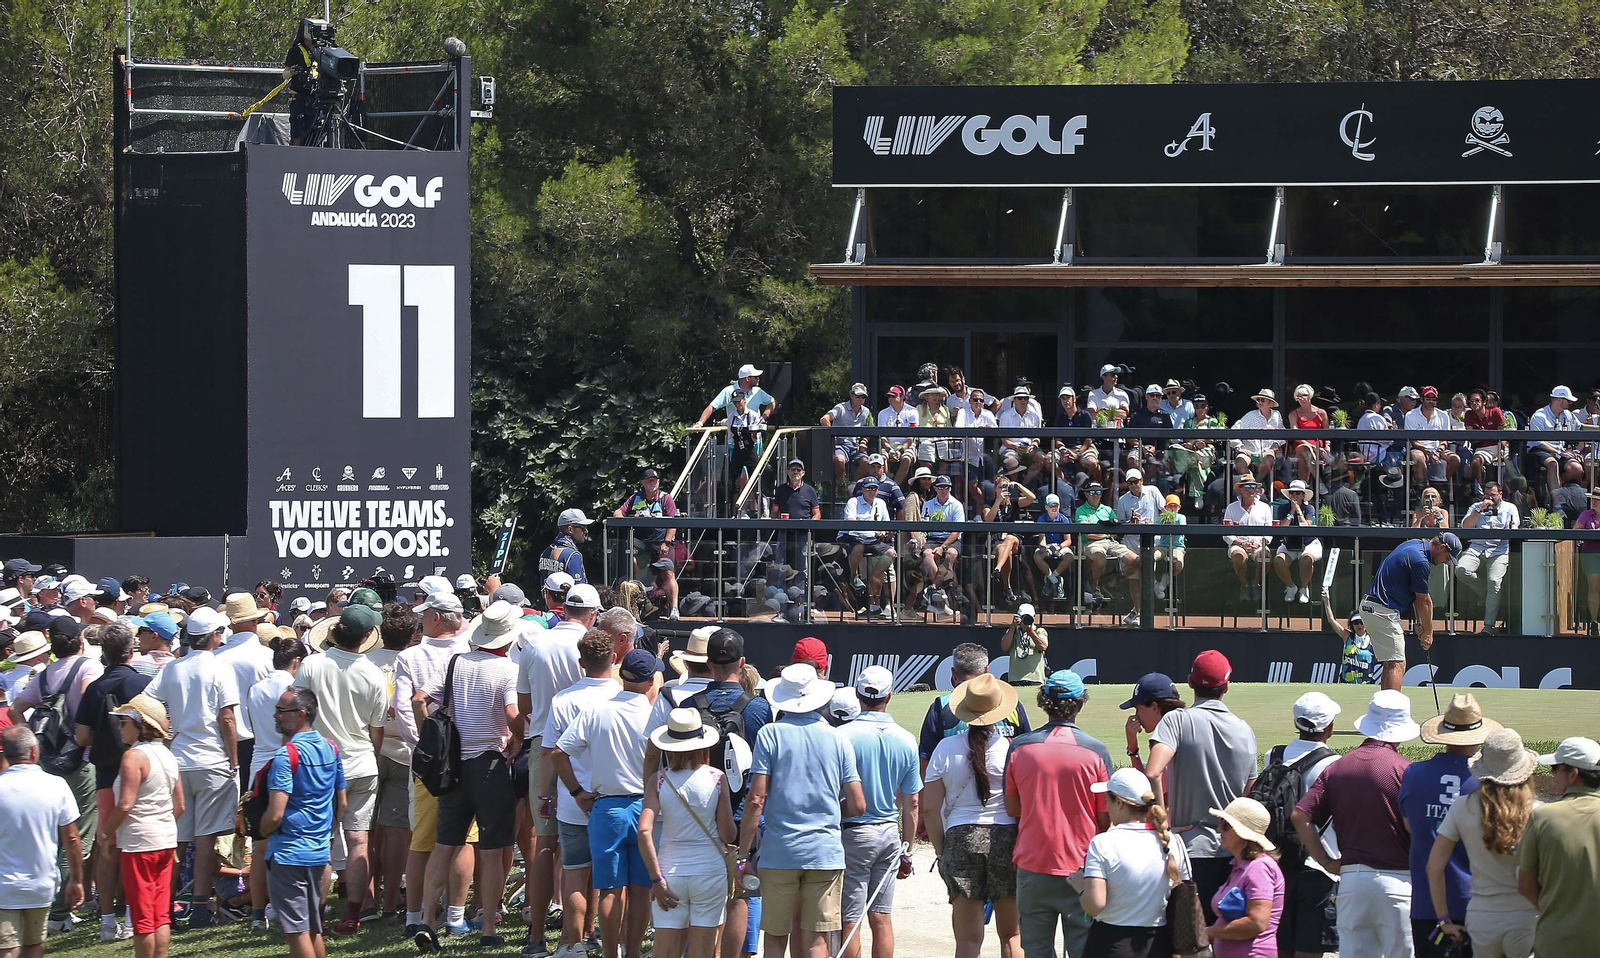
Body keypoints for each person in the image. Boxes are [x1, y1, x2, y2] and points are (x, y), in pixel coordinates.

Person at [412, 600, 523, 951]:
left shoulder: (455, 661)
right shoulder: (506, 669)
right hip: (490, 764)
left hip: (454, 766)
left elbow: (419, 700)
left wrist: (430, 736)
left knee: (445, 845)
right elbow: (510, 713)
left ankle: (427, 920)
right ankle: (488, 925)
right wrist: (519, 737)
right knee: (492, 850)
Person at [738, 664, 864, 958]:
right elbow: (858, 804)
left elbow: (756, 799)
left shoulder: (770, 735)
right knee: (817, 941)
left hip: (780, 852)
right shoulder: (838, 738)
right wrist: (830, 811)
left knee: (775, 939)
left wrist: (744, 854)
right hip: (824, 851)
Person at [1293, 689, 1419, 958]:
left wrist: (1326, 861)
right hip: (1398, 881)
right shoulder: (1406, 771)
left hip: (1351, 881)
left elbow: (1300, 816)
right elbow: (1414, 829)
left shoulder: (1337, 767)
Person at [553, 649, 662, 958]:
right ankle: (633, 952)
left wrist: (577, 792)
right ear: (650, 680)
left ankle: (611, 954)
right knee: (641, 888)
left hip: (607, 808)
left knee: (610, 888)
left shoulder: (596, 712)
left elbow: (560, 754)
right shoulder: (655, 715)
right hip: (645, 808)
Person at [1141, 650, 1258, 923]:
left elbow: (1153, 771)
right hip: (1233, 853)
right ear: (1227, 686)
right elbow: (1249, 790)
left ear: (1190, 683)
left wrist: (1164, 822)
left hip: (1189, 852)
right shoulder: (1245, 729)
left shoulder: (1176, 720)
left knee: (1187, 940)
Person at [293, 604, 389, 936]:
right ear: (365, 637)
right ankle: (352, 915)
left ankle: (317, 915)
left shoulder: (312, 664)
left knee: (322, 841)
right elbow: (377, 729)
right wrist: (368, 757)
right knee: (359, 840)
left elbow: (298, 711)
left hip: (319, 763)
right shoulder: (374, 674)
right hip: (360, 762)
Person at [1004, 670, 1112, 958]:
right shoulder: (1097, 752)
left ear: (1043, 701)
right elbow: (1105, 819)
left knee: (1036, 951)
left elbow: (1012, 807)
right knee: (1083, 950)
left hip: (1032, 866)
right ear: (1080, 703)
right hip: (1082, 869)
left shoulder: (1020, 747)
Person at [143, 606, 238, 931]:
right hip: (211, 761)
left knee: (179, 840)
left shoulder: (173, 668)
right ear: (213, 636)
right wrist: (234, 759)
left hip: (179, 761)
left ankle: (164, 905)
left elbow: (146, 702)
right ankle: (198, 906)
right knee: (205, 838)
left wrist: (168, 735)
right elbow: (227, 718)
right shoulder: (219, 667)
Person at [7, 616, 100, 935]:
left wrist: (32, 737)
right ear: (79, 640)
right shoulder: (87, 668)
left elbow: (15, 709)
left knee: (53, 836)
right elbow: (89, 701)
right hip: (81, 760)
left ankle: (51, 905)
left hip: (48, 760)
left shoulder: (44, 675)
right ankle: (58, 911)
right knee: (77, 837)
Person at [394, 590, 475, 938]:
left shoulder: (411, 656)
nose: (421, 619)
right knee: (463, 840)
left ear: (437, 618)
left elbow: (403, 708)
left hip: (430, 762)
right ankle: (455, 916)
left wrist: (422, 748)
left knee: (423, 841)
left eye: (425, 614)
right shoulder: (470, 653)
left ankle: (415, 915)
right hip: (468, 756)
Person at [922, 674, 1021, 958]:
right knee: (1012, 935)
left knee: (967, 941)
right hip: (1005, 837)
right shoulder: (1011, 749)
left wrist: (942, 853)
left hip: (960, 837)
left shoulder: (945, 748)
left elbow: (930, 808)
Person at [539, 630, 624, 958]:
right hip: (614, 801)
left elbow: (549, 753)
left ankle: (572, 945)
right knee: (612, 881)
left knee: (574, 875)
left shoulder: (563, 699)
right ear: (613, 659)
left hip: (574, 800)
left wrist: (546, 794)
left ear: (581, 663)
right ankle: (609, 945)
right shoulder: (624, 697)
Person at [1429, 727, 1538, 958]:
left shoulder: (1462, 806)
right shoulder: (1537, 813)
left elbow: (1434, 867)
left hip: (1482, 917)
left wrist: (1443, 919)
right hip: (1527, 917)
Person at [73, 623, 152, 941]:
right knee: (138, 846)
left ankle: (108, 921)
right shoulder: (143, 683)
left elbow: (81, 737)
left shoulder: (95, 688)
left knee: (108, 847)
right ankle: (134, 917)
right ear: (131, 650)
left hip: (106, 774)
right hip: (142, 773)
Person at [834, 667, 920, 958]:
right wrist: (906, 850)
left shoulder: (842, 735)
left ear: (858, 695)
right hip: (888, 834)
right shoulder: (906, 739)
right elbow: (912, 803)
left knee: (850, 919)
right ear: (889, 696)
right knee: (881, 918)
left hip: (854, 834)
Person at [637, 709, 737, 958]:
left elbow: (644, 830)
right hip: (709, 870)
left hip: (670, 872)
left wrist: (656, 879)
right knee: (703, 951)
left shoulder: (658, 780)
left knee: (665, 950)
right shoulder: (717, 778)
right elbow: (727, 834)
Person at [261, 687, 348, 958]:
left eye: (281, 710)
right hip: (319, 852)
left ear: (300, 714)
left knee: (296, 932)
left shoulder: (285, 756)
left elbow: (276, 814)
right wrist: (325, 834)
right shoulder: (331, 748)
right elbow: (341, 803)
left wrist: (260, 830)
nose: (275, 716)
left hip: (289, 854)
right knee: (313, 928)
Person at [1403, 694, 1491, 957]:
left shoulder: (1413, 773)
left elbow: (1410, 825)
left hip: (1426, 904)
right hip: (1477, 902)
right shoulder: (1484, 782)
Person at [99, 695, 181, 958]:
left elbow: (124, 804)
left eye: (124, 722)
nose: (121, 727)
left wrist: (105, 834)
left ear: (140, 724)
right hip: (166, 840)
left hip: (139, 845)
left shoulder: (133, 757)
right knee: (160, 914)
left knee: (144, 916)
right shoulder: (168, 755)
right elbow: (179, 806)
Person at [1262, 693, 1341, 958]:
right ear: (1329, 728)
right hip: (1318, 865)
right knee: (1309, 949)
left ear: (1296, 722)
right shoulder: (1335, 765)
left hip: (1276, 861)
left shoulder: (1272, 755)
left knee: (1280, 946)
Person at [1078, 767, 1188, 958]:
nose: (1106, 806)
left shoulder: (1103, 843)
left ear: (1119, 803)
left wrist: (1080, 886)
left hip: (1110, 943)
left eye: (1108, 801)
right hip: (1159, 944)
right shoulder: (1173, 842)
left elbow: (1094, 905)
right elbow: (1184, 896)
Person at [0, 726, 84, 958]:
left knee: (7, 948)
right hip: (42, 884)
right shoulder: (56, 785)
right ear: (34, 752)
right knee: (34, 945)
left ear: (6, 754)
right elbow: (73, 838)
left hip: (4, 886)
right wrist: (76, 880)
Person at [242, 634, 304, 930]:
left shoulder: (256, 688)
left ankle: (257, 912)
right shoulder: (293, 689)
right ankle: (282, 906)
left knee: (260, 846)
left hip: (258, 765)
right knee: (288, 841)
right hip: (284, 763)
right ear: (296, 662)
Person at [1518, 736, 1600, 958]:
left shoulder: (1543, 818)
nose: (1553, 774)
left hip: (1558, 940)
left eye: (1556, 768)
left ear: (1573, 774)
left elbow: (1525, 885)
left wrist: (1555, 912)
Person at [367, 604, 419, 922]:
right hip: (402, 751)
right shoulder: (414, 662)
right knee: (397, 830)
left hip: (371, 750)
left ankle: (369, 902)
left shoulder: (366, 663)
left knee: (368, 830)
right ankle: (388, 905)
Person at [1359, 533, 1461, 690]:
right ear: (1441, 548)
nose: (1445, 562)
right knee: (1398, 663)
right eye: (1448, 557)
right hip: (1382, 611)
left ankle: (1384, 709)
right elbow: (1424, 601)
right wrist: (1428, 632)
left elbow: (1414, 595)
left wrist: (1420, 622)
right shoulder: (1421, 562)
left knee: (1391, 662)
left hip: (1372, 608)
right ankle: (1392, 712)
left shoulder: (1414, 544)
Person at [918, 643, 1032, 777]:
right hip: (1005, 795)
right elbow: (1026, 753)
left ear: (954, 673)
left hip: (954, 794)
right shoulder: (1011, 704)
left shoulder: (940, 707)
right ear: (986, 671)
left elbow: (925, 763)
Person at [1206, 797, 1285, 958]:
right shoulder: (1240, 867)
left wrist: (1209, 932)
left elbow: (1257, 923)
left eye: (1226, 825)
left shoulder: (1259, 868)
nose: (1219, 828)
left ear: (1242, 833)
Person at [214, 593, 275, 797]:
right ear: (256, 620)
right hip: (260, 741)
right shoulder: (268, 658)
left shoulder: (215, 658)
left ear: (231, 624)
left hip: (221, 740)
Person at [613, 469, 682, 619]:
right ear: (643, 483)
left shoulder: (666, 498)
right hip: (641, 540)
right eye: (649, 480)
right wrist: (627, 517)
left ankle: (674, 608)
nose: (653, 483)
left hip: (661, 540)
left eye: (655, 480)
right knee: (628, 552)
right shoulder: (635, 498)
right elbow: (618, 513)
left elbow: (673, 523)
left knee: (669, 572)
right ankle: (638, 589)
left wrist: (666, 542)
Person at [1459, 481, 1520, 634]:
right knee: (1461, 569)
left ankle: (1488, 626)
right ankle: (1483, 592)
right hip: (1477, 547)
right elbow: (1465, 527)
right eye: (1486, 495)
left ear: (1500, 494)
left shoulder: (1510, 508)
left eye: (1493, 495)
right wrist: (1479, 510)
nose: (1490, 498)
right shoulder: (1476, 507)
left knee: (1494, 582)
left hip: (1499, 549)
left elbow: (1514, 529)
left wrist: (1499, 530)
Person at [1117, 673, 1184, 780]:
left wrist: (1133, 750)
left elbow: (1147, 791)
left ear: (1154, 707)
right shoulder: (1184, 727)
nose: (1136, 716)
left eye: (1138, 708)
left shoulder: (1166, 741)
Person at [1223, 477, 1274, 603]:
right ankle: (1244, 584)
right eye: (1247, 487)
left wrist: (1259, 543)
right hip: (1238, 545)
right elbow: (1226, 533)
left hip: (1259, 545)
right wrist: (1241, 543)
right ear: (1240, 489)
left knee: (1266, 556)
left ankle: (1256, 584)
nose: (1251, 490)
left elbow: (1270, 532)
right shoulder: (1231, 508)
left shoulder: (1265, 508)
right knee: (1238, 556)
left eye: (1253, 487)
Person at [1272, 479, 1322, 605]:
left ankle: (1304, 588)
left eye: (1297, 493)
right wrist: (1292, 511)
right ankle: (1291, 587)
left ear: (1303, 495)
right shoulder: (1283, 508)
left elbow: (1306, 528)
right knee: (1278, 561)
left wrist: (1299, 511)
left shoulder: (1309, 508)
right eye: (1292, 493)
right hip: (1289, 545)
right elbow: (1283, 527)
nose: (1294, 496)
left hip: (1309, 544)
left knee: (1306, 560)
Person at [822, 382, 874, 486]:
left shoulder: (867, 412)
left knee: (866, 462)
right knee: (839, 460)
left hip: (856, 446)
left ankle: (853, 486)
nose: (861, 399)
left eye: (863, 397)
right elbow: (824, 419)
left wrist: (864, 441)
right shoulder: (841, 408)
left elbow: (871, 428)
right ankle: (841, 484)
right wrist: (833, 435)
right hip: (841, 444)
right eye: (858, 396)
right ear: (851, 395)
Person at [1406, 386, 1460, 484]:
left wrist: (1438, 452)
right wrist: (1429, 452)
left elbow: (1444, 440)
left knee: (1455, 459)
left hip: (1437, 449)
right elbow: (1413, 441)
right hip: (1419, 449)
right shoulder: (1410, 415)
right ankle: (1424, 487)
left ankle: (1439, 485)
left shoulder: (1443, 416)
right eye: (1428, 398)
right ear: (1422, 399)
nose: (1431, 401)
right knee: (1418, 458)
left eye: (1433, 399)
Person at [697, 363, 774, 427]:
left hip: (756, 439)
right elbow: (712, 407)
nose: (758, 379)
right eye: (756, 377)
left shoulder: (758, 391)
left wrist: (764, 417)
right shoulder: (729, 391)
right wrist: (699, 424)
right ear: (747, 378)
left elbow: (772, 402)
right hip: (735, 439)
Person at [1233, 389, 1284, 485]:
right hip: (1249, 450)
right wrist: (1240, 447)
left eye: (1263, 400)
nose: (1260, 402)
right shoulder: (1250, 415)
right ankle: (1253, 484)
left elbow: (1282, 432)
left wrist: (1276, 443)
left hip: (1267, 450)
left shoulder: (1277, 416)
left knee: (1267, 462)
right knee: (1239, 464)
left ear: (1270, 403)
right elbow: (1234, 430)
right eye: (1258, 400)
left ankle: (1255, 484)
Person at [1000, 604, 1048, 687]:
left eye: (1029, 617)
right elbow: (1004, 647)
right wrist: (1012, 626)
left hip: (1035, 679)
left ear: (1034, 616)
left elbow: (1043, 647)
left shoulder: (1039, 631)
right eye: (1023, 617)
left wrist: (1030, 631)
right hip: (1015, 679)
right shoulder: (1012, 631)